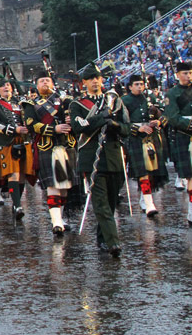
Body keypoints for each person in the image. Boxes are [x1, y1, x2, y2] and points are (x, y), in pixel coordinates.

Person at [70, 65, 130, 256]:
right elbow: (80, 126)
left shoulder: (115, 101)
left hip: (113, 155)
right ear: (84, 82)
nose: (95, 81)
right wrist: (101, 117)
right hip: (91, 157)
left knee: (111, 202)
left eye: (98, 77)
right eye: (91, 78)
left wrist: (113, 124)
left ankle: (102, 238)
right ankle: (113, 242)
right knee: (101, 203)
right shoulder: (77, 105)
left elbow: (126, 128)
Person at [23, 70, 76, 234]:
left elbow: (77, 119)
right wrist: (55, 129)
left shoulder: (66, 101)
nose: (45, 83)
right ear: (36, 85)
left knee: (65, 186)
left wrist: (71, 120)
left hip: (66, 145)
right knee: (52, 185)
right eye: (41, 81)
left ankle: (61, 217)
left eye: (47, 80)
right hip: (46, 147)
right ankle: (56, 222)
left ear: (52, 83)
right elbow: (32, 125)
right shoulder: (30, 104)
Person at [122, 74, 167, 217]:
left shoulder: (149, 98)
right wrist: (137, 129)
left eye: (141, 84)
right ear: (130, 87)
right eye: (136, 84)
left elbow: (165, 114)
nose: (140, 87)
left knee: (152, 172)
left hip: (152, 137)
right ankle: (149, 204)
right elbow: (121, 124)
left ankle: (144, 199)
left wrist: (159, 122)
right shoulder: (124, 101)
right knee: (142, 172)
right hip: (136, 139)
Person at [0, 79, 33, 220]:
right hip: (7, 141)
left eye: (8, 85)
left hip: (24, 141)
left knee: (23, 175)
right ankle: (18, 205)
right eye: (2, 86)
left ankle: (16, 203)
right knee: (13, 174)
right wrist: (15, 129)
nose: (6, 87)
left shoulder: (20, 102)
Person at [164, 60, 192, 225]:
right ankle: (191, 211)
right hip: (184, 136)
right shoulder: (172, 94)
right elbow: (172, 117)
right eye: (185, 73)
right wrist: (189, 125)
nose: (188, 76)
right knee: (190, 175)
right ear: (177, 75)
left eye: (190, 73)